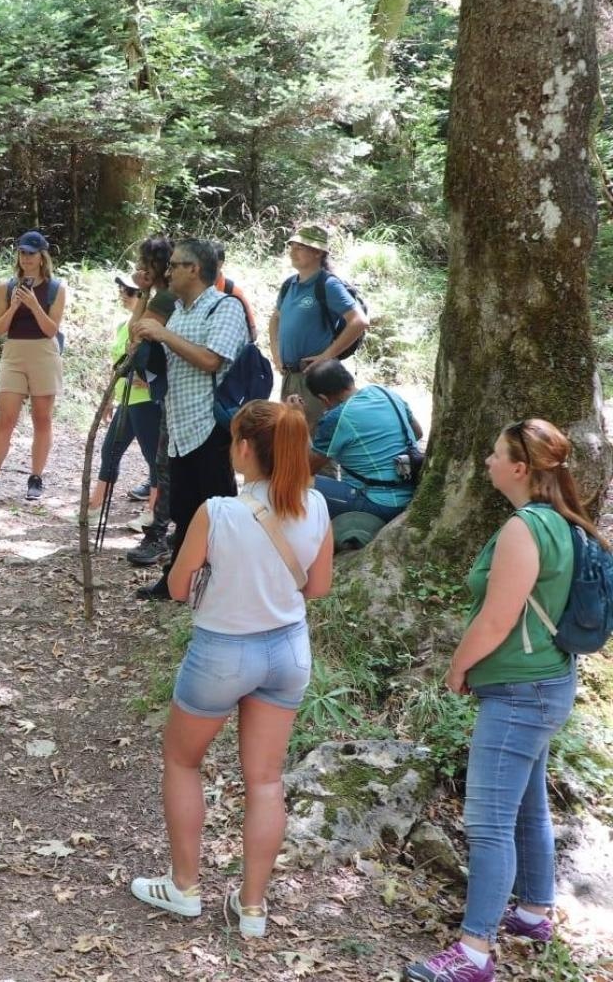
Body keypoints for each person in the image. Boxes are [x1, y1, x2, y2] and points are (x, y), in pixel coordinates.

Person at [403, 419, 603, 982]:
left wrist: (458, 666)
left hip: (519, 692)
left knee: (488, 823)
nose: (487, 462)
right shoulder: (562, 523)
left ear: (520, 468)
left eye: (495, 455)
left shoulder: (524, 529)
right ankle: (535, 911)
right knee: (528, 805)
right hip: (545, 683)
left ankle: (473, 952)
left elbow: (497, 619)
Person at [130, 400, 333, 940]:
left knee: (182, 760)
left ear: (245, 448)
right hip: (288, 652)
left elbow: (176, 588)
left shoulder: (217, 512)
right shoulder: (316, 508)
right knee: (265, 780)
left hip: (222, 651)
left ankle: (185, 886)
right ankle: (252, 907)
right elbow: (317, 587)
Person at [133, 238, 248, 601]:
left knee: (218, 508)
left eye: (175, 266)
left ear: (194, 269)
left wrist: (164, 334)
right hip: (181, 425)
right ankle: (177, 581)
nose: (167, 272)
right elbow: (166, 358)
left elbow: (212, 359)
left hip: (212, 425)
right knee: (184, 509)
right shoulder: (181, 311)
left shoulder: (225, 308)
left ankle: (226, 583)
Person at [0, 231, 66, 502]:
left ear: (42, 257)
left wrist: (35, 305)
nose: (26, 258)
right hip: (14, 352)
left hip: (43, 353)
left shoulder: (56, 288)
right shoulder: (6, 287)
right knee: (5, 417)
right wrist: (15, 305)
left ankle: (36, 478)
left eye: (31, 253)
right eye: (22, 253)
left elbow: (51, 330)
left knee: (42, 418)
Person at [268, 224, 368, 428]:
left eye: (301, 247)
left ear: (317, 253)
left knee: (316, 440)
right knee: (292, 436)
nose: (293, 251)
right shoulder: (289, 284)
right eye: (292, 245)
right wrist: (276, 354)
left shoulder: (328, 284)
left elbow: (359, 321)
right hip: (289, 375)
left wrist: (326, 356)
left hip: (315, 378)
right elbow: (275, 318)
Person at [299, 359, 423, 521]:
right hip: (412, 493)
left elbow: (304, 469)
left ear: (324, 398)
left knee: (292, 484)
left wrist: (299, 420)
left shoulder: (337, 417)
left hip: (377, 503)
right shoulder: (385, 393)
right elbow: (418, 433)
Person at [89, 274, 158, 528]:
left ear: (142, 296)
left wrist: (151, 379)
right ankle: (95, 507)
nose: (123, 294)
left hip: (147, 400)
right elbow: (117, 365)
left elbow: (161, 359)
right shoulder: (123, 326)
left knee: (153, 456)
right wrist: (108, 397)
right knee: (110, 451)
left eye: (129, 291)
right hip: (126, 399)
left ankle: (154, 512)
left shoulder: (152, 322)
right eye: (123, 290)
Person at [125, 237, 177, 567]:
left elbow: (136, 334)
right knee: (166, 462)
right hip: (168, 387)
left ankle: (159, 534)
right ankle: (168, 532)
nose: (141, 268)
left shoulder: (169, 297)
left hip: (172, 390)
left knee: (165, 463)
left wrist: (144, 294)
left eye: (146, 262)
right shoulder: (165, 295)